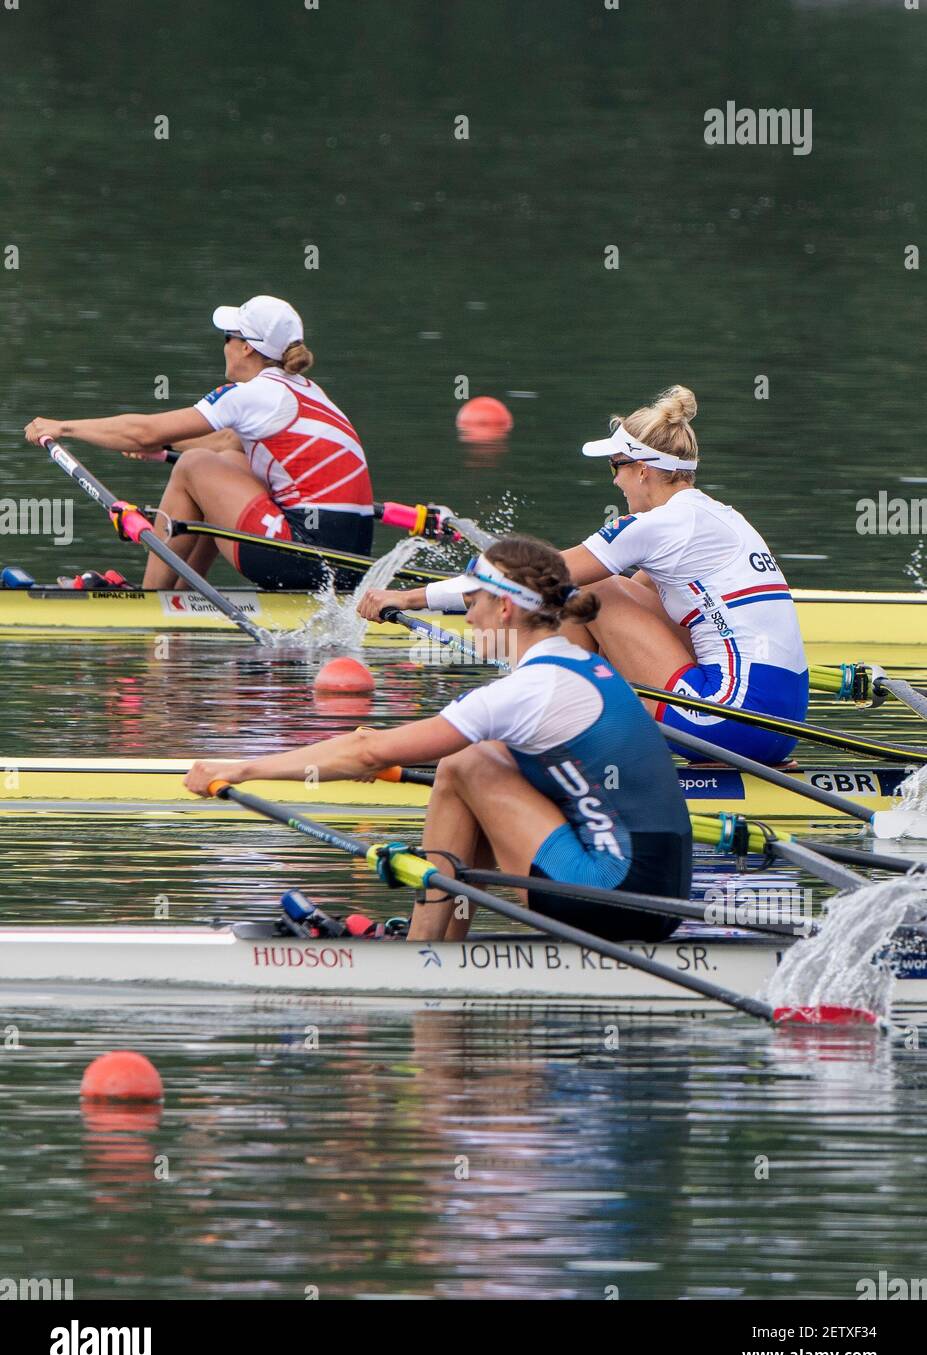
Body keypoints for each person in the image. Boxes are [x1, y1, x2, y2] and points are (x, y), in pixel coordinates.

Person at [184, 536, 693, 943]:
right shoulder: (586, 667)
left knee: (467, 765)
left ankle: (426, 948)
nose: (468, 616)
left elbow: (366, 751)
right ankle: (436, 940)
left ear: (505, 611)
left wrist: (242, 770)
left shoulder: (530, 689)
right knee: (477, 760)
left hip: (616, 895)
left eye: (473, 601)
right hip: (658, 895)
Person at [357, 386, 809, 765]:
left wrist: (412, 598)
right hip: (779, 729)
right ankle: (572, 729)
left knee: (590, 588)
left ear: (643, 469)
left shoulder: (657, 525)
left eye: (616, 468)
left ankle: (552, 739)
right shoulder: (724, 517)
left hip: (723, 720)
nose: (615, 482)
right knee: (622, 590)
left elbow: (533, 576)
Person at [24, 295, 373, 591]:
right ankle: (184, 597)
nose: (225, 347)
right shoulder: (306, 392)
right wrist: (163, 450)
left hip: (307, 558)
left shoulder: (253, 394)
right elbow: (226, 441)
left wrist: (63, 428)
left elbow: (143, 431)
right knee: (225, 461)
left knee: (195, 467)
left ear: (246, 346)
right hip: (347, 564)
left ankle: (152, 598)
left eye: (227, 338)